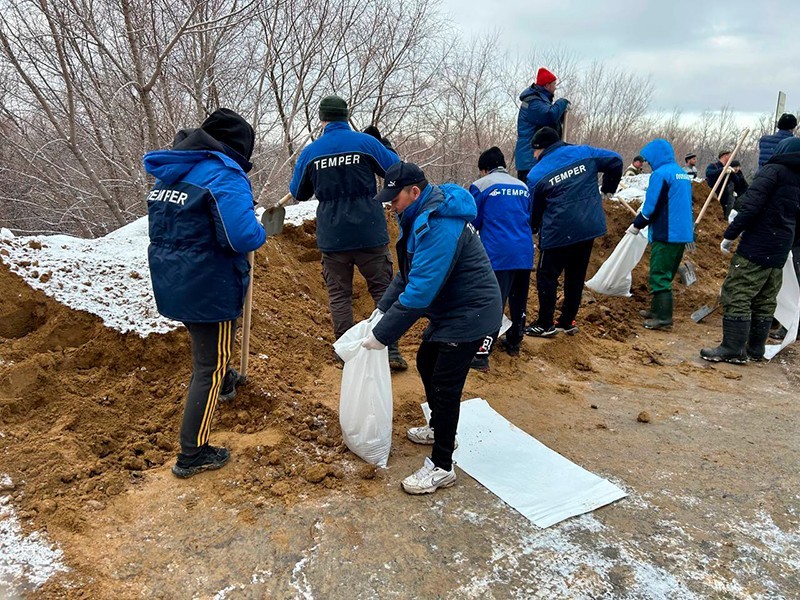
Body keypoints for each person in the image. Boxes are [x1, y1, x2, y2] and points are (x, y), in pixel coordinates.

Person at [361, 161, 502, 495]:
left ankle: (442, 465)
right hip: (452, 308)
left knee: (445, 383)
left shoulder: (440, 225)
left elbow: (421, 291)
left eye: (394, 199)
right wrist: (380, 312)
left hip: (472, 311)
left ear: (415, 192)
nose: (390, 205)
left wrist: (382, 337)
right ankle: (440, 427)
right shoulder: (420, 216)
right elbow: (408, 274)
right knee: (426, 361)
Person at [144, 108, 266, 478]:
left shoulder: (172, 171)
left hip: (175, 277)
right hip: (209, 282)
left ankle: (226, 381)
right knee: (208, 366)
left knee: (207, 350)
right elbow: (241, 236)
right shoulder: (223, 174)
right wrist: (260, 229)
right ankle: (192, 453)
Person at [289, 95, 408, 371]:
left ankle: (346, 353)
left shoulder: (311, 152)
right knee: (382, 290)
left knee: (339, 294)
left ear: (323, 119)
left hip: (333, 237)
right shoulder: (366, 144)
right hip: (369, 231)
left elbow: (298, 192)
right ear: (346, 116)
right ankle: (390, 351)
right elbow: (396, 169)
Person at [701, 137, 800, 364]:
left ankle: (733, 348)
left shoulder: (772, 171)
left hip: (758, 244)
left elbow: (750, 205)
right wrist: (789, 242)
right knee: (766, 297)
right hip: (781, 247)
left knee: (738, 292)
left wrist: (730, 234)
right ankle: (755, 348)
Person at [524, 127, 623, 337]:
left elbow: (534, 209)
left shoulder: (537, 173)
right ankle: (567, 320)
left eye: (533, 151)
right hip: (587, 227)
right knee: (575, 276)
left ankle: (544, 323)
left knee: (546, 276)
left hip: (559, 231)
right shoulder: (584, 152)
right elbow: (615, 160)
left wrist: (532, 228)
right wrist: (608, 188)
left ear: (540, 149)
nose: (533, 156)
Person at [467, 147, 533, 372]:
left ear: (485, 169)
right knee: (518, 299)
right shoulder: (523, 186)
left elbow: (472, 220)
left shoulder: (482, 185)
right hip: (524, 252)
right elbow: (528, 217)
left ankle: (481, 353)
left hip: (497, 254)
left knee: (493, 301)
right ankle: (514, 342)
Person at [626, 139, 694, 329]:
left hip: (667, 232)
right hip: (682, 232)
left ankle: (663, 318)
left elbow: (651, 205)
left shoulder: (661, 174)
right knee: (667, 272)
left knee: (659, 274)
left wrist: (638, 224)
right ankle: (656, 310)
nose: (648, 163)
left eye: (649, 159)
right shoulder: (681, 174)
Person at [513, 67, 570, 183]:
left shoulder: (541, 101)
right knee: (533, 195)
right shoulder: (533, 102)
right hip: (530, 161)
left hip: (538, 160)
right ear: (547, 85)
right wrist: (561, 103)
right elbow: (549, 115)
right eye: (554, 84)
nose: (555, 87)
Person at [706, 150, 748, 218]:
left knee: (722, 215)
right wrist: (723, 169)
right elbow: (709, 173)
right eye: (730, 156)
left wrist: (732, 173)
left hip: (723, 196)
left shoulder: (729, 168)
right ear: (725, 156)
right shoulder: (713, 166)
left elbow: (737, 181)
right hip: (712, 194)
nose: (731, 157)